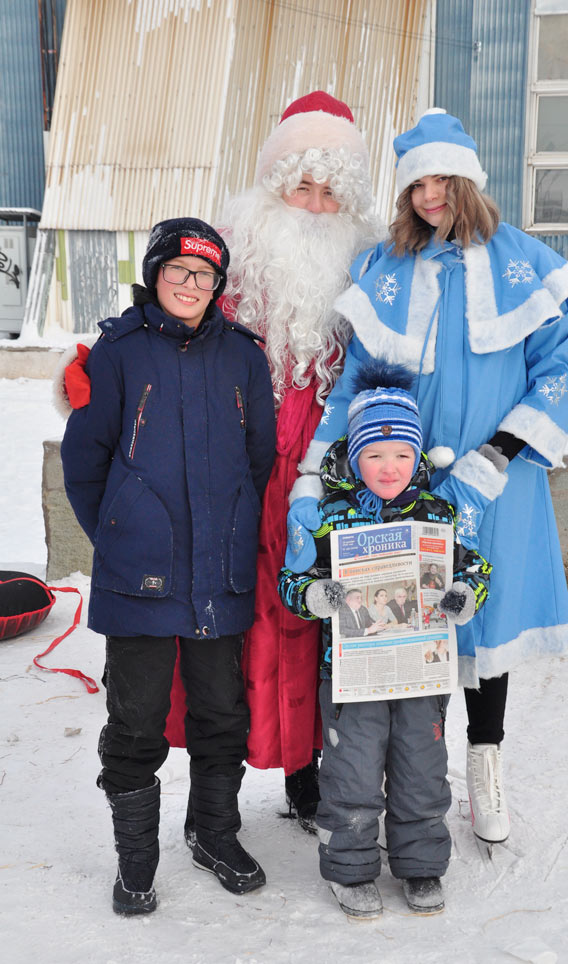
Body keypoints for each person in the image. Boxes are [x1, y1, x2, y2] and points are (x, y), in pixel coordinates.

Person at [58, 92, 383, 837]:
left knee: (316, 618)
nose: (315, 204)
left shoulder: (367, 269)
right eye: (302, 185)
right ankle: (212, 802)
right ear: (274, 187)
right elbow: (163, 324)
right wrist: (91, 369)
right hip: (227, 475)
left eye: (332, 191)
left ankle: (310, 769)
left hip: (326, 471)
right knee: (223, 633)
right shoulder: (230, 254)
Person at [287, 109, 568, 845]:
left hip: (501, 480)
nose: (430, 195)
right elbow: (354, 377)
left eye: (441, 179)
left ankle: (484, 763)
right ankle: (410, 768)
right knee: (414, 618)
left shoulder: (527, 263)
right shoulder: (384, 270)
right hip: (404, 484)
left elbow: (556, 375)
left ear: (469, 180)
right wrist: (315, 470)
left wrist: (500, 455)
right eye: (417, 183)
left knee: (487, 619)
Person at [60, 219, 276, 915]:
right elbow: (84, 462)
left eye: (205, 276)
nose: (190, 286)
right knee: (137, 721)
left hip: (220, 568)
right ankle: (137, 859)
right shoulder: (117, 352)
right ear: (155, 274)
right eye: (179, 272)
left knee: (221, 712)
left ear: (219, 287)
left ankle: (214, 832)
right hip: (140, 576)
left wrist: (236, 522)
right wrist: (124, 532)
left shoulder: (243, 355)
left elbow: (260, 457)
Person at [278, 366, 492, 918]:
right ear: (354, 459)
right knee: (350, 771)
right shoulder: (328, 520)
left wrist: (465, 593)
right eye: (375, 455)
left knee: (421, 765)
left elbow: (472, 567)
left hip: (420, 667)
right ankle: (349, 868)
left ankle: (421, 865)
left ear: (417, 457)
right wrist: (316, 594)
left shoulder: (437, 515)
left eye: (401, 454)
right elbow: (292, 581)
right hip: (352, 672)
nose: (389, 467)